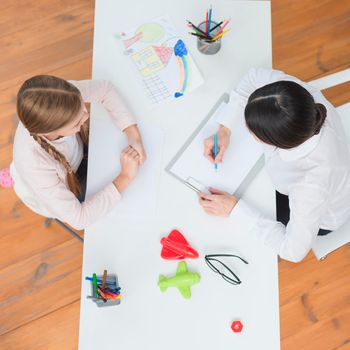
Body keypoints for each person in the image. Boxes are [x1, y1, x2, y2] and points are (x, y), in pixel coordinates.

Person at [200, 67, 350, 263]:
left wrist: (234, 210)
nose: (245, 129)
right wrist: (225, 129)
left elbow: (293, 251)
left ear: (276, 141)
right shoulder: (299, 98)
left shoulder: (310, 185)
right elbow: (252, 77)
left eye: (253, 131)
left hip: (320, 217)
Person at [13, 75, 146, 230]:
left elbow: (105, 89)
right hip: (66, 185)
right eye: (76, 123)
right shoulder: (34, 163)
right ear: (50, 131)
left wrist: (133, 135)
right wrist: (125, 177)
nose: (86, 115)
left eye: (83, 107)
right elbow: (79, 219)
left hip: (76, 158)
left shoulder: (63, 97)